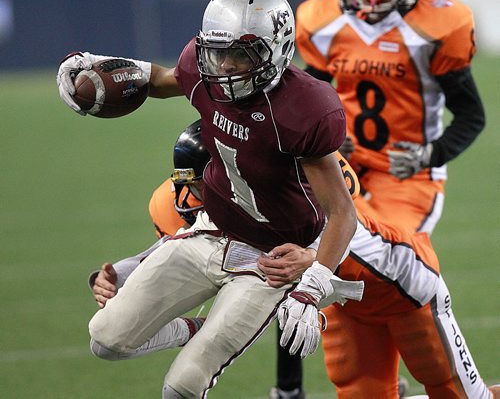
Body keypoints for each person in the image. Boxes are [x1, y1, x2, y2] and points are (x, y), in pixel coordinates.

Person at [57, 0, 359, 398]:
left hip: (269, 260)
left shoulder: (305, 110)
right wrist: (100, 68)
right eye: (218, 53)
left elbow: (343, 213)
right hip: (211, 230)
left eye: (242, 54)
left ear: (278, 48)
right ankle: (193, 328)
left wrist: (313, 284)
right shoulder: (203, 71)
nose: (226, 67)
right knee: (105, 340)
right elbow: (162, 79)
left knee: (183, 386)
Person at [91, 125, 499, 399]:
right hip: (346, 307)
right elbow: (180, 240)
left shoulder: (292, 198)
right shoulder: (203, 200)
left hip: (405, 288)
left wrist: (312, 262)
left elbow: (348, 233)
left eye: (203, 184)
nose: (193, 197)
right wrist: (120, 275)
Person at [295, 0, 485, 234]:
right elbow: (307, 96)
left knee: (392, 255)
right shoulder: (324, 20)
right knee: (319, 247)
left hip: (407, 171)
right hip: (341, 162)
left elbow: (471, 115)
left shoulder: (436, 28)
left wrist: (429, 155)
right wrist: (323, 138)